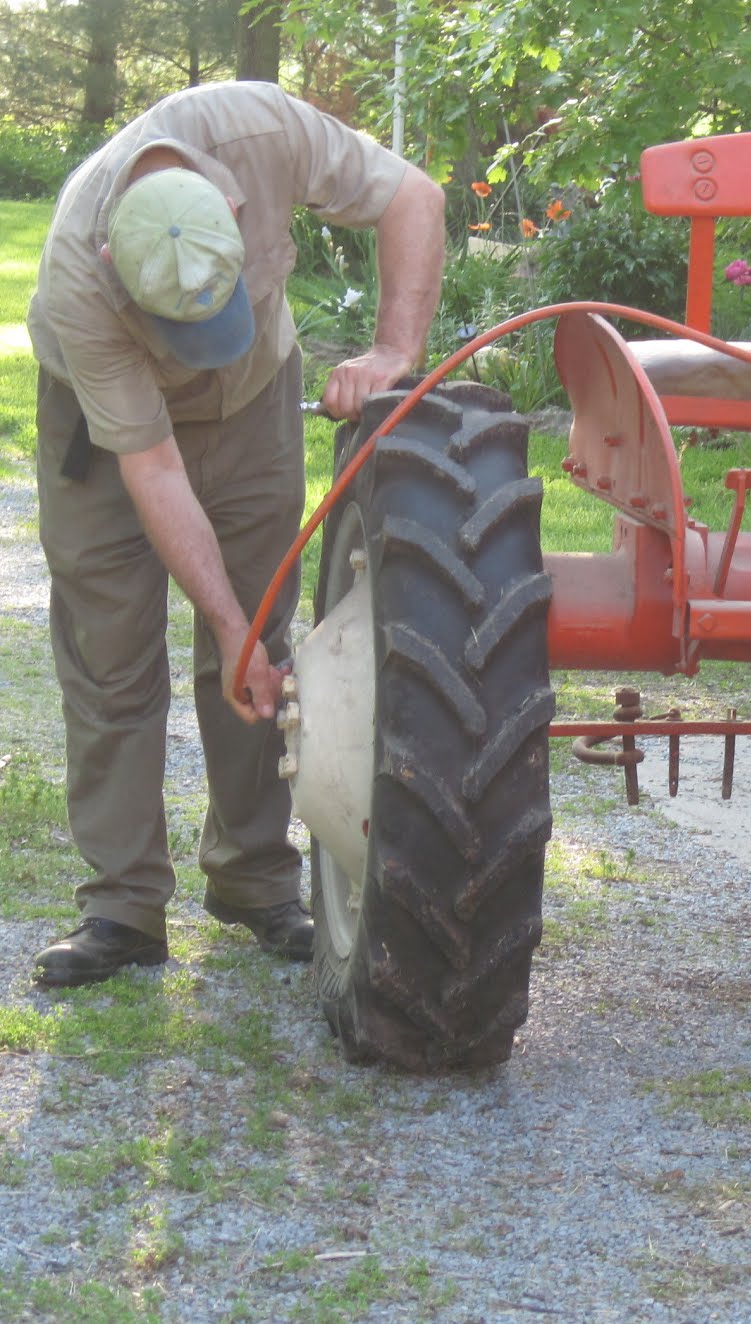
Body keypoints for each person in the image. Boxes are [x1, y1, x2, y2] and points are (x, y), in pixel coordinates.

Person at [26, 81, 445, 987]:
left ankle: (253, 880)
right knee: (111, 653)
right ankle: (123, 905)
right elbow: (153, 470)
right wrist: (223, 626)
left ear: (233, 204)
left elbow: (413, 195)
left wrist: (393, 348)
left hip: (255, 403)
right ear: (114, 260)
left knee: (261, 642)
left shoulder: (263, 129)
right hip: (111, 434)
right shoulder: (77, 280)